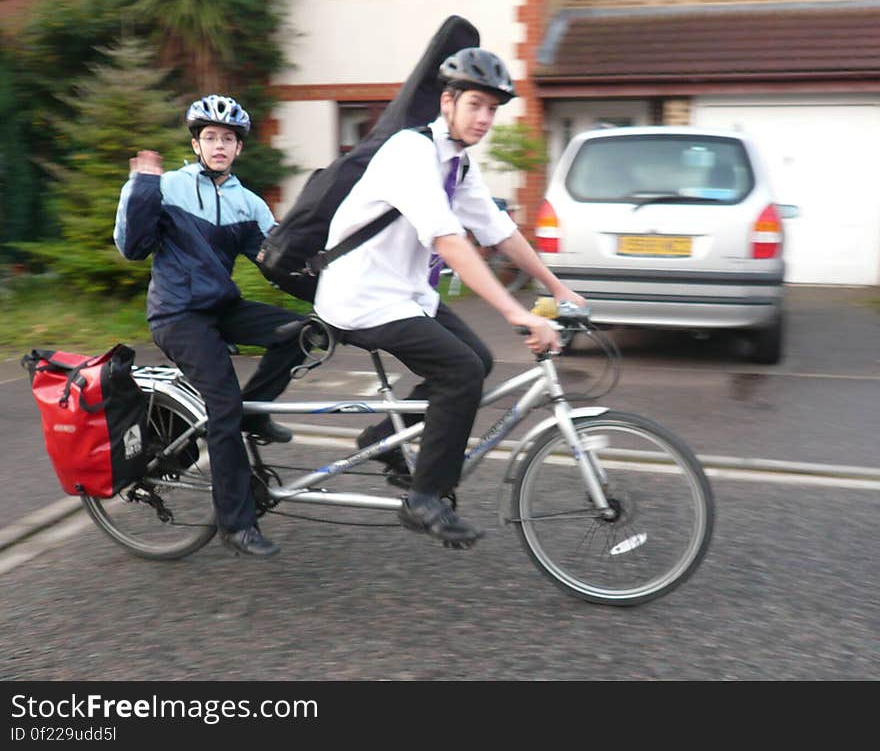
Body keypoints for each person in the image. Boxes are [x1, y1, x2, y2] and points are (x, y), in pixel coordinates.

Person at [313, 48, 586, 547]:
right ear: (448, 102)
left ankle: (382, 442)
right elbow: (448, 240)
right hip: (360, 295)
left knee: (476, 361)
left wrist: (557, 287)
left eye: (492, 110)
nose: (484, 118)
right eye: (476, 105)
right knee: (458, 371)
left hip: (405, 292)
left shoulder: (457, 163)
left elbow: (500, 231)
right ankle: (424, 499)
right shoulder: (410, 152)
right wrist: (514, 312)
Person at [114, 94, 306, 558]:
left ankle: (253, 415)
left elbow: (277, 265)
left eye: (228, 139)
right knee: (222, 404)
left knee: (303, 332)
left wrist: (333, 295)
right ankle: (236, 525)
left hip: (220, 306)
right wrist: (142, 187)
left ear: (239, 148)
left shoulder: (249, 203)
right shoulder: (168, 188)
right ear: (197, 143)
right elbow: (133, 248)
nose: (219, 145)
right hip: (177, 314)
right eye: (210, 137)